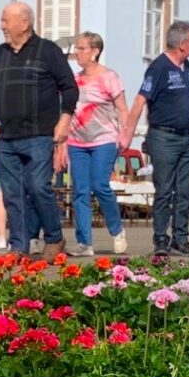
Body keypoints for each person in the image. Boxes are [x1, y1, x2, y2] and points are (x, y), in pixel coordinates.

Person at [0, 1, 76, 256]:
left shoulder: (48, 51)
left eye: (6, 20)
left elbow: (69, 87)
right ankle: (19, 247)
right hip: (7, 138)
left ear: (24, 24)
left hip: (39, 134)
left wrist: (64, 120)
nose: (2, 26)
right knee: (12, 194)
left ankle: (55, 238)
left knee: (37, 186)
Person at [119, 20, 189, 258]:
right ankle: (161, 239)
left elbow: (188, 104)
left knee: (185, 191)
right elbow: (139, 101)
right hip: (164, 136)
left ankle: (181, 238)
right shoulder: (159, 67)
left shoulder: (187, 67)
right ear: (182, 43)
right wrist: (128, 135)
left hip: (186, 138)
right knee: (164, 189)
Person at [66, 30, 129, 256]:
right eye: (76, 48)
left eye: (81, 49)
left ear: (95, 51)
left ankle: (117, 229)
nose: (77, 53)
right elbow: (67, 111)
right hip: (77, 141)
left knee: (100, 185)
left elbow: (123, 109)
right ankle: (84, 243)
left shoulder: (109, 77)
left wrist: (125, 134)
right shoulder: (74, 80)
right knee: (80, 191)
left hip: (104, 139)